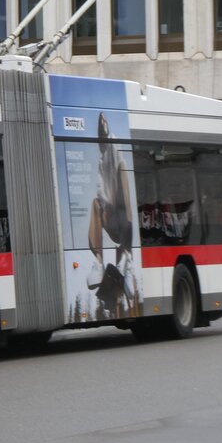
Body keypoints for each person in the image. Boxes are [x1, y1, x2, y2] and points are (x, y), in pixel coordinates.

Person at [86, 113, 138, 317]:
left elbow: (118, 161)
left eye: (105, 121)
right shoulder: (101, 163)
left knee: (123, 167)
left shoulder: (115, 148)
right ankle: (98, 262)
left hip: (124, 219)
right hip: (112, 218)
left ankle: (128, 258)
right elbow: (101, 191)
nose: (104, 124)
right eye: (101, 122)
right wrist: (106, 204)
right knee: (94, 202)